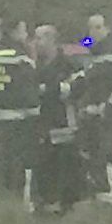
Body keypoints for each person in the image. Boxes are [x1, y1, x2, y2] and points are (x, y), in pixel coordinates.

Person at [72, 29, 112, 199]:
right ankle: (97, 193)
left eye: (98, 27)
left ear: (107, 29)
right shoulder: (94, 50)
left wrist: (106, 109)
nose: (94, 32)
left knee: (104, 153)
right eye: (91, 28)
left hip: (105, 118)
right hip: (88, 118)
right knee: (91, 155)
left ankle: (108, 193)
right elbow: (80, 44)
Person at [0, 20, 38, 197]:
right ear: (16, 31)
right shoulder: (21, 57)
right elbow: (29, 91)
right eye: (24, 31)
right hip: (17, 122)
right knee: (15, 166)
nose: (26, 36)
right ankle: (13, 202)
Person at [27, 23, 80, 211]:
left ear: (51, 40)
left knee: (63, 165)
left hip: (63, 125)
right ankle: (44, 203)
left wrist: (49, 89)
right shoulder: (34, 66)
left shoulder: (68, 65)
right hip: (41, 125)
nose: (35, 43)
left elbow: (75, 89)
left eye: (39, 38)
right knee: (42, 166)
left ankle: (63, 205)